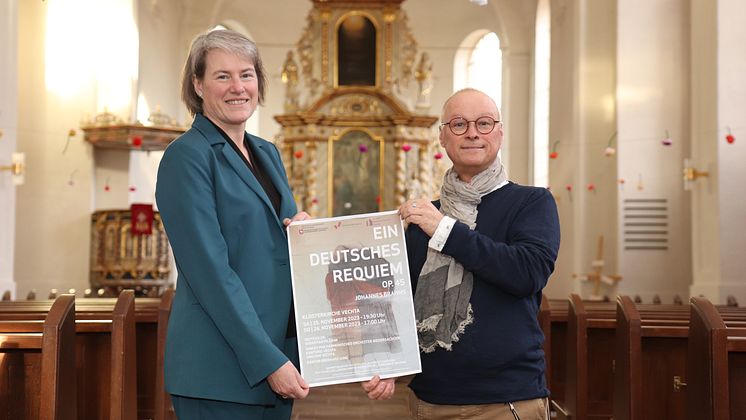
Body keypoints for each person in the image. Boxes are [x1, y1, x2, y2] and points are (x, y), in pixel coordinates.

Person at [156, 29, 392, 420]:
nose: (238, 87)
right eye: (222, 76)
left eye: (247, 75)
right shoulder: (187, 157)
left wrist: (302, 237)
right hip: (221, 369)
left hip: (277, 356)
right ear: (197, 84)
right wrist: (267, 360)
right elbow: (210, 274)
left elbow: (284, 261)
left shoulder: (266, 152)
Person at [399, 88, 560, 420]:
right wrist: (312, 236)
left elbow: (526, 273)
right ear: (442, 137)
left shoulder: (532, 202)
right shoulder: (423, 219)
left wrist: (445, 230)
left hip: (506, 400)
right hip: (430, 399)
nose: (472, 132)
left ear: (499, 133)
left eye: (484, 123)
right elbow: (399, 301)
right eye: (459, 124)